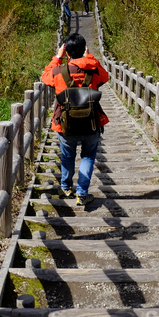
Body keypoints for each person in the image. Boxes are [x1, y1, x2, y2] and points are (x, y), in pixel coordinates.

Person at [40, 32, 109, 207]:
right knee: (88, 156)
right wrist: (90, 57)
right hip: (91, 122)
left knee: (67, 155)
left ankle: (66, 187)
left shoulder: (58, 71)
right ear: (84, 49)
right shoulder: (93, 70)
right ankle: (82, 193)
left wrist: (57, 57)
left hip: (65, 123)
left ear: (67, 51)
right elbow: (105, 76)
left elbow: (44, 77)